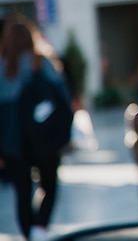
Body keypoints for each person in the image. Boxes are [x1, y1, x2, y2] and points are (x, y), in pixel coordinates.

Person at [0, 17, 71, 241]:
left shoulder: (2, 70)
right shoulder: (43, 63)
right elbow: (64, 99)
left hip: (13, 143)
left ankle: (30, 235)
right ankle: (40, 228)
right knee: (50, 185)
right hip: (45, 139)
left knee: (22, 193)